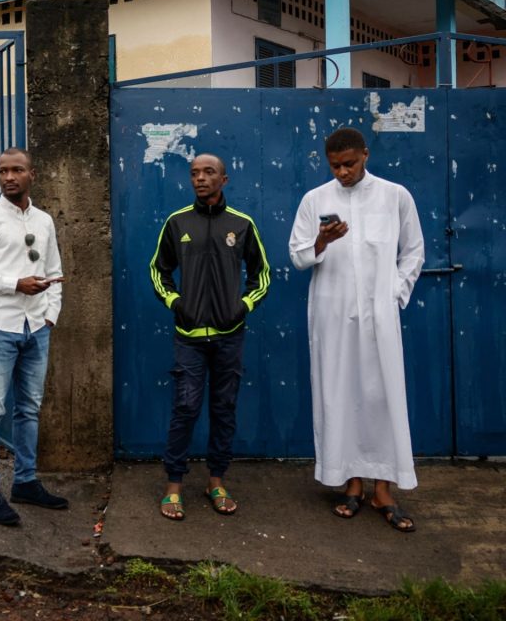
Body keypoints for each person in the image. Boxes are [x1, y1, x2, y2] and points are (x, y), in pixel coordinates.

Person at [288, 127, 424, 532]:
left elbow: (413, 250)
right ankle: (351, 482)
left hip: (379, 313)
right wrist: (322, 242)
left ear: (365, 154)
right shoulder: (316, 199)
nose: (343, 172)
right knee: (340, 393)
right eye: (335, 166)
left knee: (382, 395)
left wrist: (394, 292)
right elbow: (297, 256)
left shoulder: (395, 195)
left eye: (350, 163)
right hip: (332, 313)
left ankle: (384, 488)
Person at [149, 153, 270, 521]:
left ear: (224, 179)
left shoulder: (242, 224)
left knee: (223, 408)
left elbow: (261, 274)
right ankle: (173, 485)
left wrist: (244, 306)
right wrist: (174, 302)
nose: (200, 179)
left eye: (208, 172)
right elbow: (159, 270)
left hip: (229, 335)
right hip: (188, 336)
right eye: (194, 173)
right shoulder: (177, 222)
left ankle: (216, 480)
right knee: (185, 407)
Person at [0, 148, 67, 526]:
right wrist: (14, 284)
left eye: (16, 170)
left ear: (31, 174)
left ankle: (25, 481)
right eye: (3, 170)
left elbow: (54, 270)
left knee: (29, 409)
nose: (8, 177)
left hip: (37, 329)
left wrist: (51, 314)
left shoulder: (44, 220)